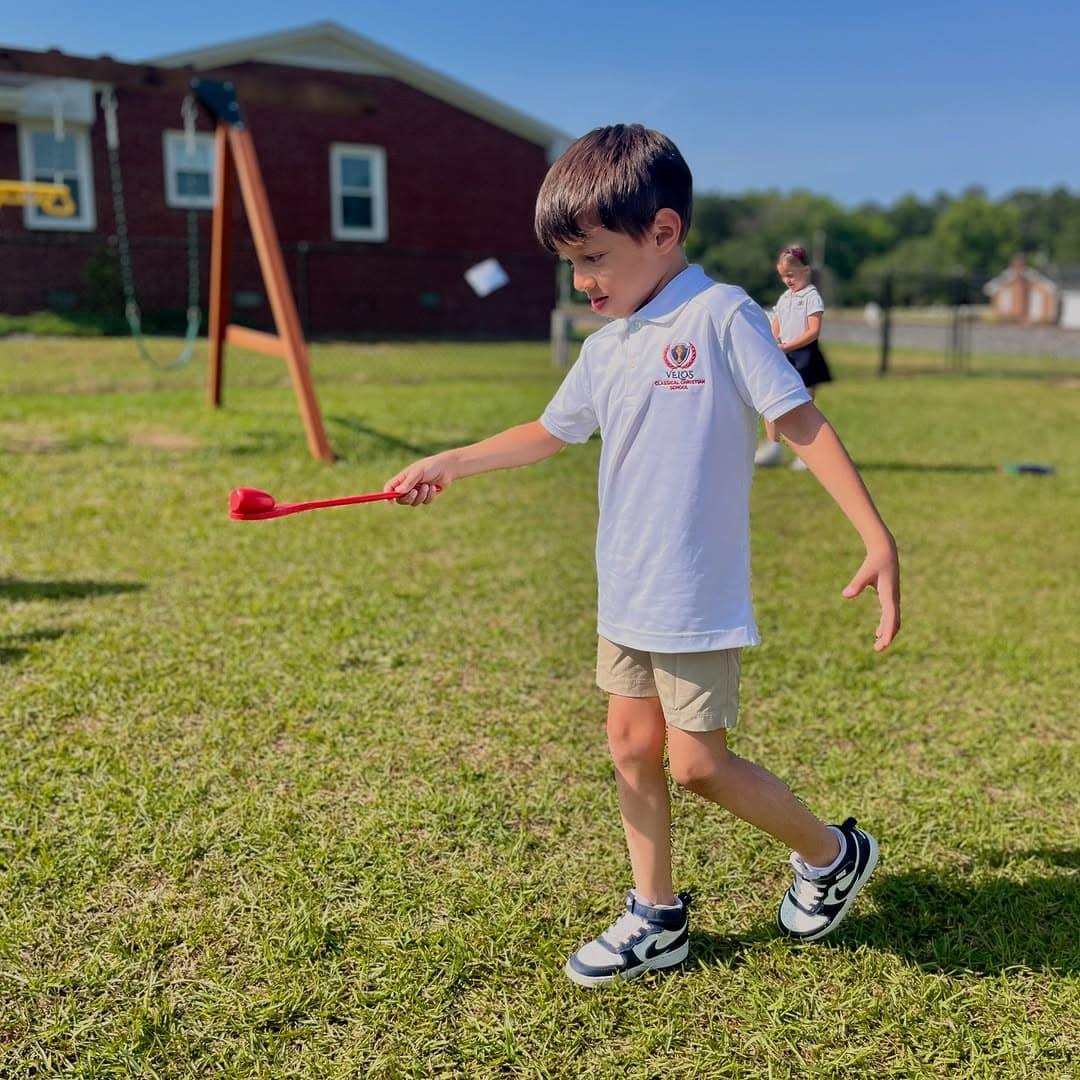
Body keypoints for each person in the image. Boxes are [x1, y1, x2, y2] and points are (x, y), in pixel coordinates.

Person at [384, 124, 900, 989]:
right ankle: (655, 917)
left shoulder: (720, 314)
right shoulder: (603, 346)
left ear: (663, 232)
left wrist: (875, 534)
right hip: (623, 590)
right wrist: (452, 461)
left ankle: (833, 853)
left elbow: (800, 421)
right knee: (630, 747)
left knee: (698, 765)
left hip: (694, 594)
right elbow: (550, 433)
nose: (582, 282)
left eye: (593, 258)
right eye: (570, 265)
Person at [754, 245, 832, 470]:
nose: (787, 280)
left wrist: (789, 346)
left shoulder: (812, 297)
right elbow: (777, 324)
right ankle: (773, 447)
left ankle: (807, 454)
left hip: (805, 355)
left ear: (805, 270)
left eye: (790, 275)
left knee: (802, 407)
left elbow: (812, 331)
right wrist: (773, 342)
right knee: (772, 401)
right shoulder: (785, 298)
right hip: (784, 353)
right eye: (783, 276)